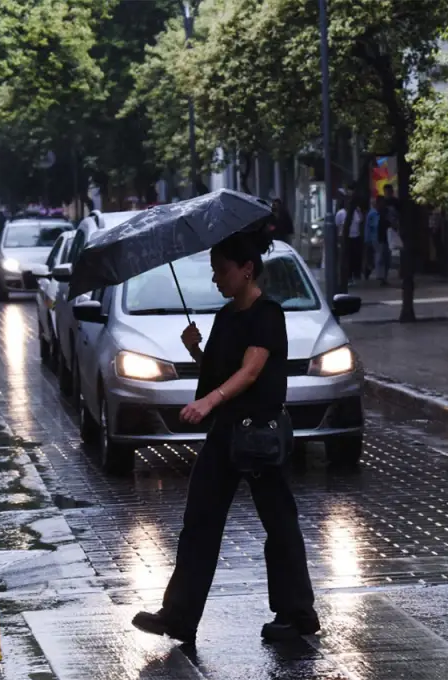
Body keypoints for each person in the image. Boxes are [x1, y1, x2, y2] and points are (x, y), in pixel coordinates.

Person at [132, 229, 318, 645]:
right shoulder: (225, 316)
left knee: (279, 522)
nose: (217, 279)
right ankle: (179, 615)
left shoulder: (267, 314)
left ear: (247, 269)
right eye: (214, 271)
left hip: (259, 436)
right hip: (224, 435)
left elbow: (250, 371)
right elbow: (219, 374)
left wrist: (208, 403)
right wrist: (196, 351)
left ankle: (296, 614)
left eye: (222, 270)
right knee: (199, 520)